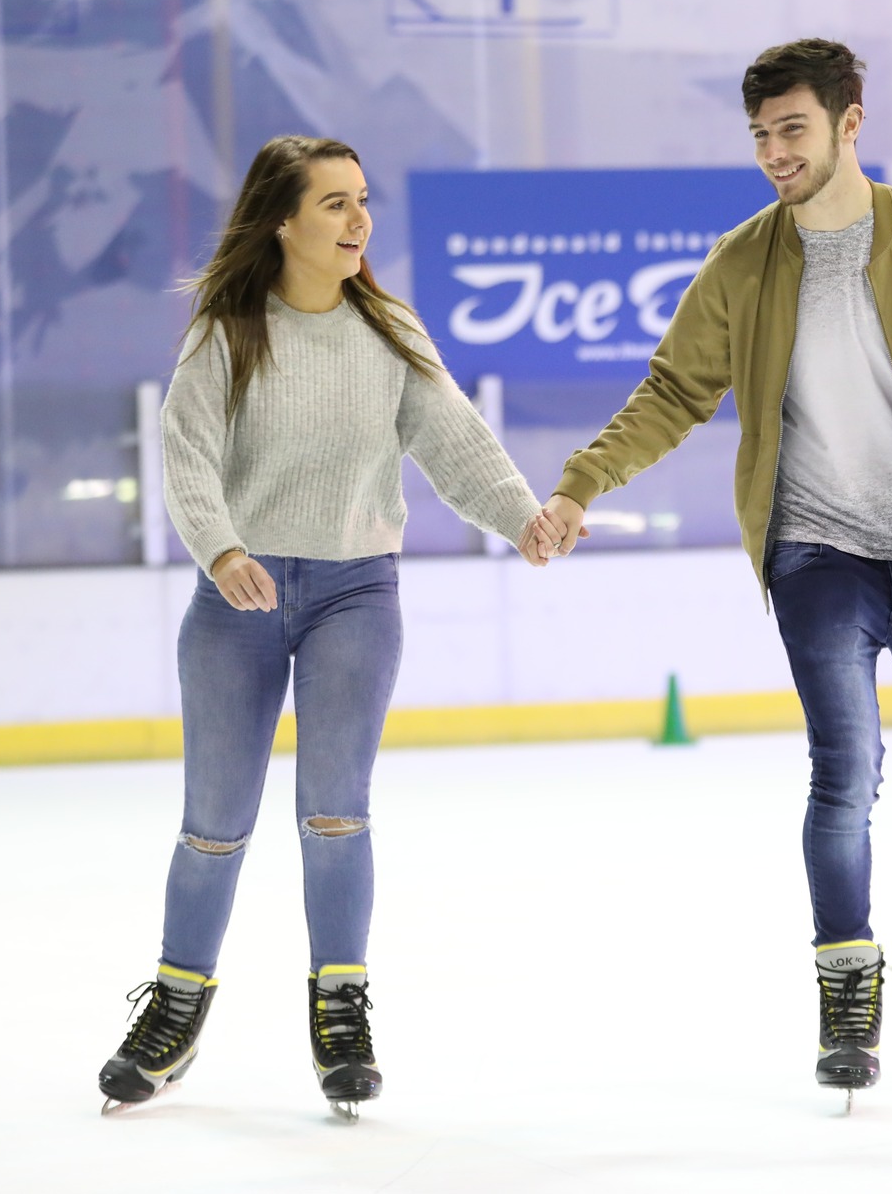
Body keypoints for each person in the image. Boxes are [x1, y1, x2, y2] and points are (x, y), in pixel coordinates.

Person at [524, 40, 892, 1096]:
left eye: (791, 130)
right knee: (843, 772)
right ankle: (846, 978)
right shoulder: (744, 263)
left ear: (851, 123)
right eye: (760, 135)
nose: (772, 152)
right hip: (814, 551)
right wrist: (582, 484)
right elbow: (674, 391)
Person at [97, 135, 562, 1118]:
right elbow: (185, 457)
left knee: (334, 812)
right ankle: (175, 1009)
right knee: (214, 827)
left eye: (361, 203)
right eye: (335, 205)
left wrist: (520, 514)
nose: (358, 223)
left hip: (357, 592)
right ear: (282, 221)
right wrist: (222, 549)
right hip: (239, 599)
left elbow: (454, 442)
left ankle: (339, 1009)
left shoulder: (387, 330)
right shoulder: (227, 332)